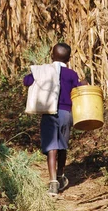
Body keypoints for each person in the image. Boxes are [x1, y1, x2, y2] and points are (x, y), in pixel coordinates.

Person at [23, 43, 82, 196]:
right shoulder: (71, 74)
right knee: (62, 146)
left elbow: (27, 81)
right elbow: (79, 90)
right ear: (68, 59)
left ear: (51, 56)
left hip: (49, 113)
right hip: (66, 113)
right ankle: (61, 175)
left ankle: (53, 182)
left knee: (52, 147)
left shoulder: (43, 71)